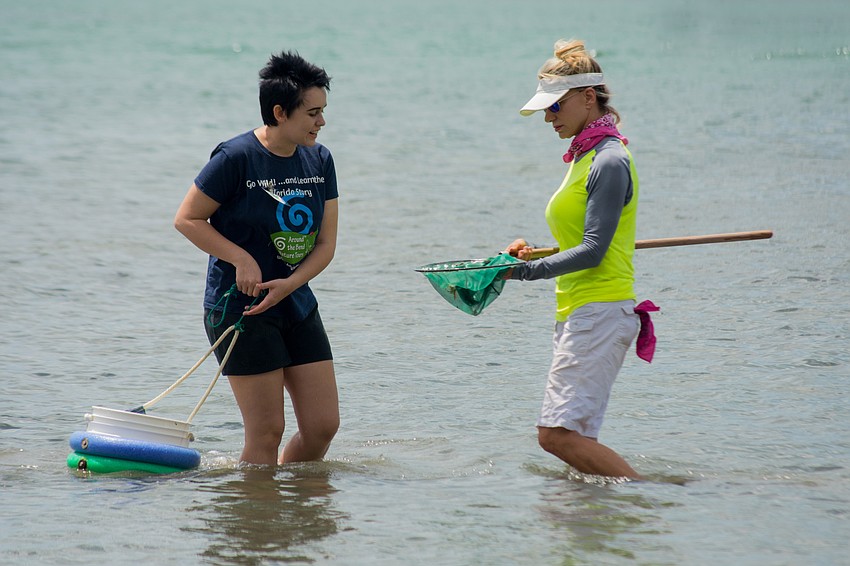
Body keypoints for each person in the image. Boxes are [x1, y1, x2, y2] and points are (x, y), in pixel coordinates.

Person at [174, 50, 339, 466]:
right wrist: (241, 259)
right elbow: (187, 218)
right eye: (313, 113)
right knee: (267, 433)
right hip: (239, 309)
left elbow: (325, 245)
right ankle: (257, 524)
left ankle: (297, 514)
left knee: (323, 426)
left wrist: (290, 284)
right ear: (280, 112)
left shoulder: (320, 159)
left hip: (295, 301)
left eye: (323, 111)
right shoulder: (235, 158)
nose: (322, 122)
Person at [504, 39, 642, 479]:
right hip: (581, 312)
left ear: (588, 98)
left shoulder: (610, 160)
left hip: (599, 311)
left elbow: (594, 249)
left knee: (556, 436)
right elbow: (578, 239)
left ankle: (651, 498)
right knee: (577, 440)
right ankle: (588, 529)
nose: (548, 117)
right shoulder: (585, 157)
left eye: (555, 107)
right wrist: (532, 253)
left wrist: (526, 272)